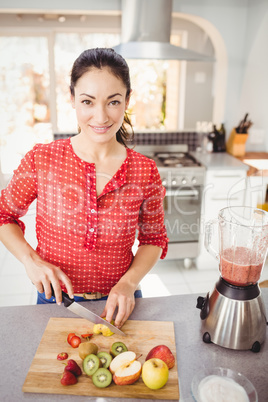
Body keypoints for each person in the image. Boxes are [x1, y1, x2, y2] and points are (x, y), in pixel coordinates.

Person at [0, 48, 168, 328]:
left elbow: (154, 239)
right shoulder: (42, 159)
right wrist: (31, 261)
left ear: (127, 100)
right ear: (73, 99)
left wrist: (129, 283)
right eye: (88, 102)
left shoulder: (144, 171)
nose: (100, 117)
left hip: (121, 302)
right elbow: (4, 215)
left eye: (113, 102)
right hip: (56, 300)